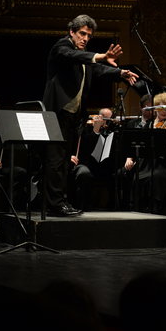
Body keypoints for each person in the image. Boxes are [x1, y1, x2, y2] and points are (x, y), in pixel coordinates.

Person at [42, 14, 138, 217]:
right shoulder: (62, 48)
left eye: (88, 36)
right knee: (55, 159)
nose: (85, 39)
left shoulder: (83, 54)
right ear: (72, 32)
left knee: (66, 160)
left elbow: (99, 69)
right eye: (82, 34)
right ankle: (54, 203)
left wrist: (120, 73)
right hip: (56, 113)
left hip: (72, 116)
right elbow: (75, 57)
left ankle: (61, 202)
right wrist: (100, 55)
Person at [123, 92, 166, 214]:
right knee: (138, 176)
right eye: (161, 108)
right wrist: (129, 158)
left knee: (156, 176)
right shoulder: (148, 124)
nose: (164, 112)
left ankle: (157, 208)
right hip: (147, 163)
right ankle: (139, 209)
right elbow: (137, 144)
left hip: (164, 163)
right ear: (156, 108)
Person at [69, 108, 117, 211]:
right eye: (104, 118)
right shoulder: (85, 128)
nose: (105, 122)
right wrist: (95, 130)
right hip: (84, 163)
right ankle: (81, 206)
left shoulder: (109, 130)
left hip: (100, 164)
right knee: (84, 173)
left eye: (109, 119)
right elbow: (86, 149)